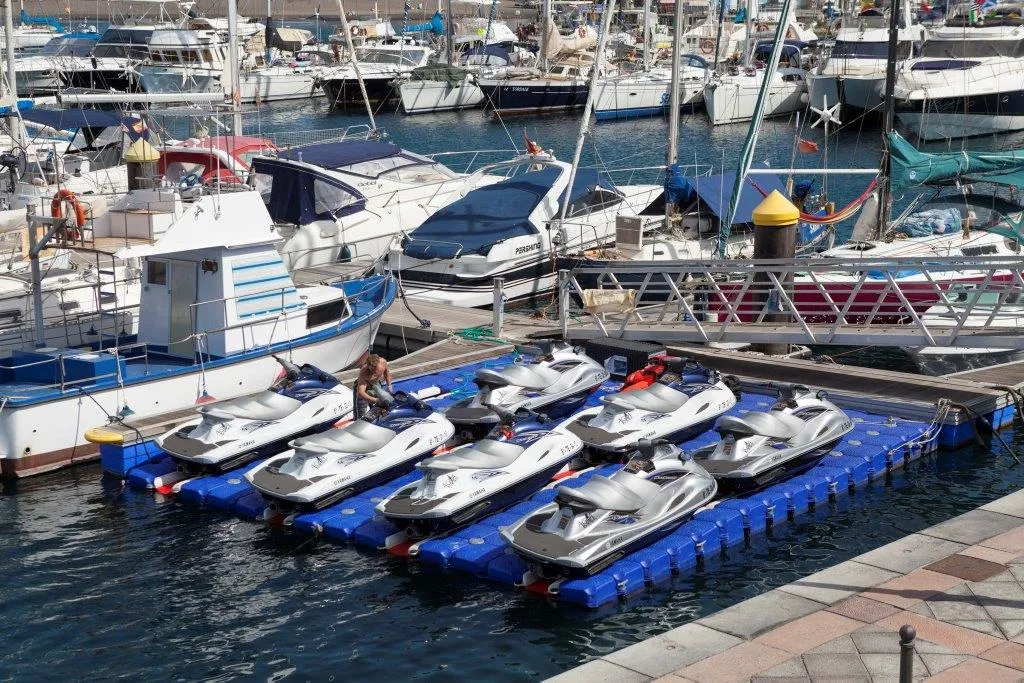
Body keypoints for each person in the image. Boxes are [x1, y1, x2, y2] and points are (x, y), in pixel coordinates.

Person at [355, 353, 394, 418]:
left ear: (379, 363)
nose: (375, 371)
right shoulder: (364, 372)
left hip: (376, 384)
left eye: (376, 368)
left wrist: (389, 386)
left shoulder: (383, 362)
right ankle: (359, 420)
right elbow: (361, 392)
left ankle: (381, 417)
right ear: (368, 366)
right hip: (364, 386)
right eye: (372, 369)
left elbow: (387, 372)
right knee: (360, 413)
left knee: (385, 402)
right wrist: (375, 400)